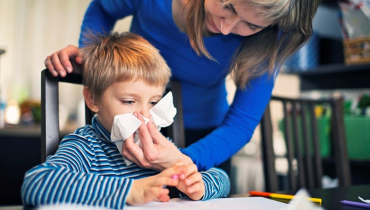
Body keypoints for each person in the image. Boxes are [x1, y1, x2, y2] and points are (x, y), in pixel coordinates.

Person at [44, 0, 321, 175]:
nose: (227, 28)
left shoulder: (274, 35)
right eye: (228, 6)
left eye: (250, 25)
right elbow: (103, 8)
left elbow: (241, 123)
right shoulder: (83, 150)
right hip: (128, 128)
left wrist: (180, 162)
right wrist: (92, 55)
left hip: (207, 139)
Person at [22, 32, 230, 209]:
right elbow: (37, 183)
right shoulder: (86, 146)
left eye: (153, 102)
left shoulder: (157, 147)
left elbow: (222, 179)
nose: (146, 116)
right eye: (129, 101)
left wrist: (198, 186)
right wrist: (130, 191)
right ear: (93, 99)